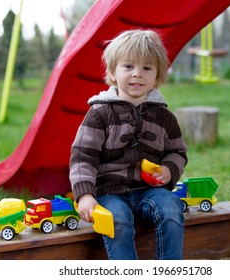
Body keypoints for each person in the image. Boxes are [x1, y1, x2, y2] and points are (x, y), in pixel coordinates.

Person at [69, 29, 188, 260]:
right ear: (113, 72)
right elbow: (83, 157)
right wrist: (85, 195)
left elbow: (177, 151)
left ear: (157, 76)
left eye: (147, 68)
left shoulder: (164, 117)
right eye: (128, 67)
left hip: (149, 191)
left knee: (172, 207)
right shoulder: (100, 114)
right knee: (117, 220)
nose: (138, 74)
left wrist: (168, 169)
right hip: (109, 193)